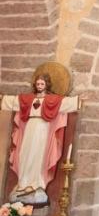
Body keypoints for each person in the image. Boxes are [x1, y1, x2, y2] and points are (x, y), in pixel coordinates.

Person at [1, 74, 79, 203]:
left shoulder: (51, 100)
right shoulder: (28, 99)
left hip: (43, 130)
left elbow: (65, 103)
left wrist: (78, 100)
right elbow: (15, 101)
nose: (39, 86)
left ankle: (37, 184)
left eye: (42, 84)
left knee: (39, 156)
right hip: (29, 128)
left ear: (46, 85)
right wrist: (3, 99)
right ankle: (23, 182)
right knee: (24, 154)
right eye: (38, 84)